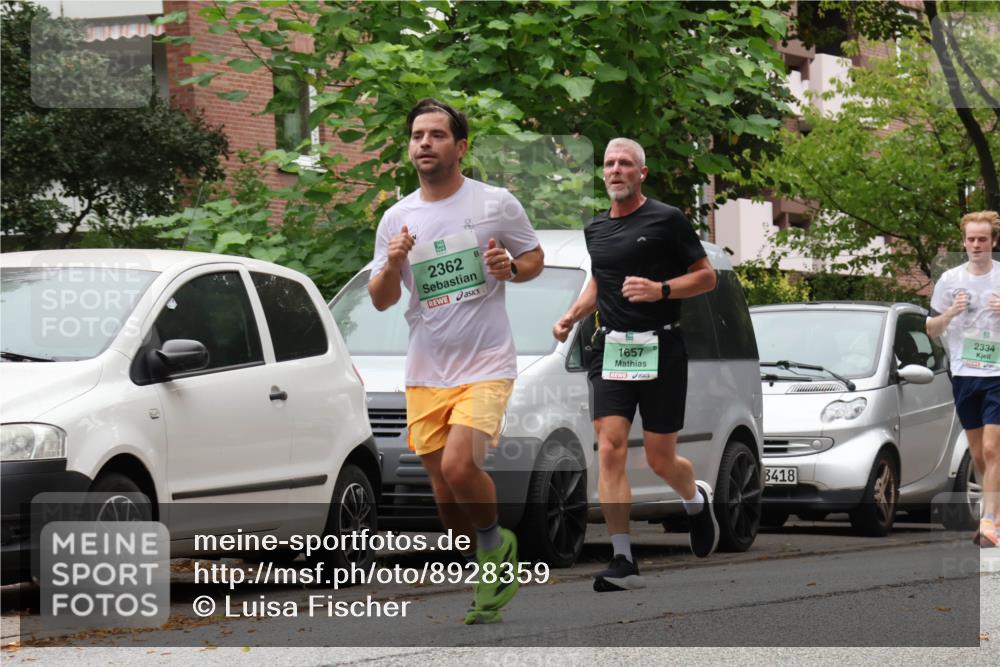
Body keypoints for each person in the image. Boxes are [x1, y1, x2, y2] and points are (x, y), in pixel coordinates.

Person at [368, 99, 544, 622]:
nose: (425, 143)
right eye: (417, 135)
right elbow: (381, 299)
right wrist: (393, 263)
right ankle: (487, 571)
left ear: (460, 147)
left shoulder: (495, 203)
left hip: (487, 362)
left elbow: (533, 257)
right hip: (426, 370)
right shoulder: (397, 218)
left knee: (460, 464)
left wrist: (509, 266)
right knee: (446, 502)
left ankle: (494, 548)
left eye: (437, 135)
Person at [552, 138, 719, 592]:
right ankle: (622, 557)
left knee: (663, 459)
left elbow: (707, 276)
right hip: (611, 350)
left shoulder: (667, 219)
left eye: (625, 163)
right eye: (609, 164)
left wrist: (661, 290)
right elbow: (599, 282)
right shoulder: (596, 230)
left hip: (662, 348)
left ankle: (695, 499)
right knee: (610, 447)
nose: (616, 170)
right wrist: (573, 315)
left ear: (641, 173)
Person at [926, 210, 1000, 547]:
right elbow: (931, 328)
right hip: (964, 373)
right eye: (971, 239)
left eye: (982, 239)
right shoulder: (950, 280)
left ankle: (988, 520)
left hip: (998, 373)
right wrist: (951, 312)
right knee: (979, 453)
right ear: (964, 242)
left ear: (993, 242)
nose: (976, 245)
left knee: (991, 446)